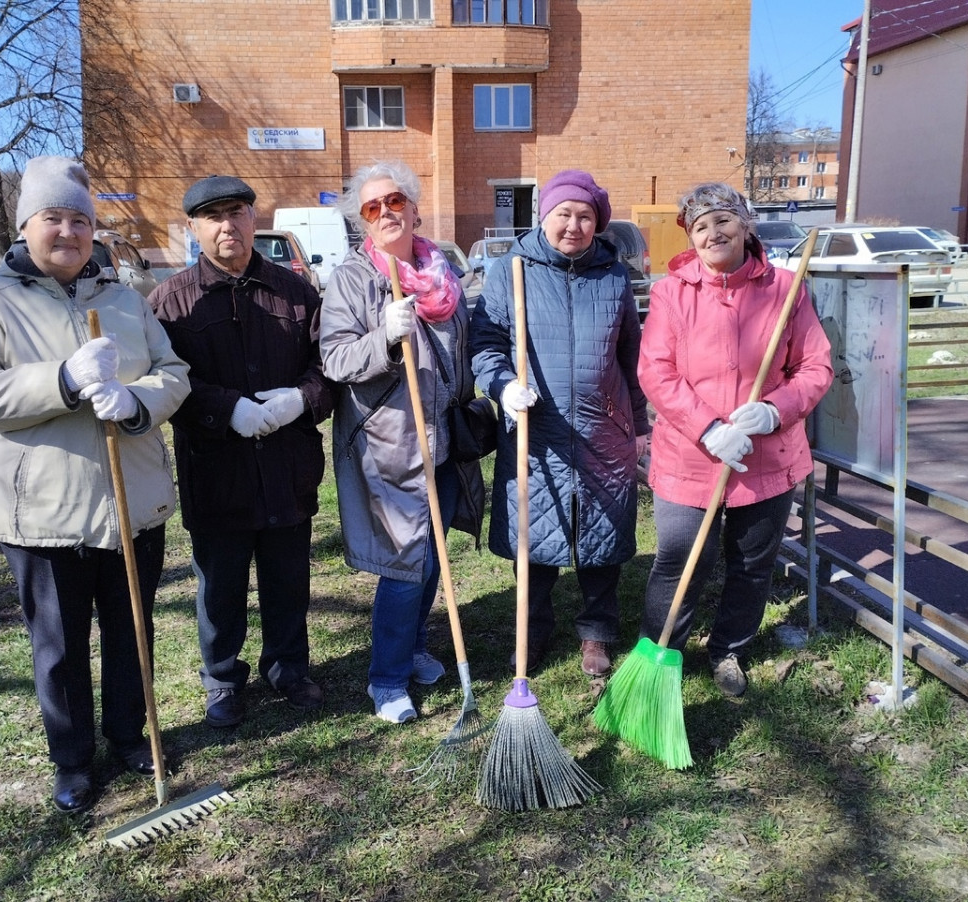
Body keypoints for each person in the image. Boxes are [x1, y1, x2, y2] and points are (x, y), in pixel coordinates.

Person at [0, 156, 191, 814]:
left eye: (80, 220)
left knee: (130, 631)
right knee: (58, 647)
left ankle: (128, 735)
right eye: (54, 218)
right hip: (43, 515)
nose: (70, 232)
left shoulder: (125, 300)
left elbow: (174, 371)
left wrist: (134, 400)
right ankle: (73, 759)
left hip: (130, 503)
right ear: (27, 226)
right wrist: (63, 380)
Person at [150, 175, 334, 728]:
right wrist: (225, 407)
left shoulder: (296, 291)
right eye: (212, 217)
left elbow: (327, 368)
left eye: (236, 212)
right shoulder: (170, 302)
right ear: (194, 228)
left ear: (255, 218)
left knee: (288, 578)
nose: (226, 225)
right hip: (217, 468)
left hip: (286, 465)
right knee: (220, 585)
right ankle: (223, 678)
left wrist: (302, 400)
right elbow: (166, 383)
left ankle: (288, 666)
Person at [637, 181, 833, 697]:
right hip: (689, 453)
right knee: (678, 557)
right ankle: (659, 656)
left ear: (746, 225)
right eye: (699, 226)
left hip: (768, 458)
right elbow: (656, 372)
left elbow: (815, 366)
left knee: (751, 562)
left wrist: (775, 411)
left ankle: (729, 650)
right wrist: (708, 428)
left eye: (722, 220)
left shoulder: (786, 289)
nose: (712, 232)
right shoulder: (671, 292)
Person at [319, 160, 483, 724]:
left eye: (395, 201)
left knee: (432, 555)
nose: (386, 212)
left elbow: (460, 352)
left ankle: (413, 648)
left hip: (441, 442)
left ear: (414, 208)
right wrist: (384, 338)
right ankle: (385, 680)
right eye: (372, 207)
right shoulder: (352, 279)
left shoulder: (443, 274)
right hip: (390, 445)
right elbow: (336, 360)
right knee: (402, 563)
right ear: (363, 222)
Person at [470, 169, 650, 678]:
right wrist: (503, 385)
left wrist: (638, 425)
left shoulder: (614, 275)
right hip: (536, 429)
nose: (573, 225)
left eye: (585, 216)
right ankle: (534, 629)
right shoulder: (512, 270)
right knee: (536, 536)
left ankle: (597, 633)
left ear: (598, 223)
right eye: (563, 214)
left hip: (603, 429)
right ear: (544, 216)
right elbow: (485, 343)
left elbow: (630, 355)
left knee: (603, 536)